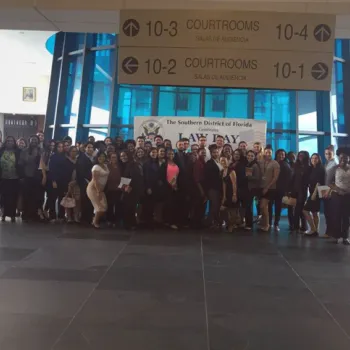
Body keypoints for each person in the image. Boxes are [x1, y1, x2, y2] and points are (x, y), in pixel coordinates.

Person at [18, 135, 45, 222]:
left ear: (38, 141)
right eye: (32, 140)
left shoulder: (41, 151)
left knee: (36, 197)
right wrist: (21, 176)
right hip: (27, 176)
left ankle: (34, 214)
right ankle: (25, 214)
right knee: (26, 196)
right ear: (29, 141)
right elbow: (20, 164)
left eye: (35, 140)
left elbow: (44, 163)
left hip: (37, 177)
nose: (34, 141)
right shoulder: (24, 151)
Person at [327, 147, 350, 245]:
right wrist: (338, 190)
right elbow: (329, 182)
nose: (343, 159)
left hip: (348, 195)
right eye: (341, 157)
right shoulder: (334, 169)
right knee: (336, 216)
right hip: (336, 195)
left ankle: (345, 237)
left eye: (345, 157)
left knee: (346, 217)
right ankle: (336, 236)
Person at [269, 149, 292, 232]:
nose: (281, 156)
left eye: (283, 154)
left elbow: (288, 178)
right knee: (269, 206)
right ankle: (269, 223)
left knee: (278, 207)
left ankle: (276, 224)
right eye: (279, 154)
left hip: (280, 189)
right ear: (276, 154)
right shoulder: (272, 162)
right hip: (271, 188)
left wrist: (287, 190)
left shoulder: (286, 164)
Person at [120, 151, 144, 230]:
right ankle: (128, 223)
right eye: (122, 156)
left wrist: (126, 186)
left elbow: (133, 176)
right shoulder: (126, 164)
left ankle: (130, 223)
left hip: (133, 189)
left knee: (131, 207)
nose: (124, 157)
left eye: (125, 155)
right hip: (129, 188)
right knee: (128, 207)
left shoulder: (132, 164)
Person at [303, 153, 325, 237]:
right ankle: (316, 230)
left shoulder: (320, 169)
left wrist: (314, 194)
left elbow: (319, 182)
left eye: (316, 158)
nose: (313, 160)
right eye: (312, 158)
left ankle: (313, 229)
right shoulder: (313, 168)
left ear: (319, 159)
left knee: (305, 210)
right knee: (315, 212)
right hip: (313, 192)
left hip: (316, 193)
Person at [259, 148, 280, 232]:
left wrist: (267, 187)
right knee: (263, 207)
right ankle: (264, 224)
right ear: (264, 153)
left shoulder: (275, 163)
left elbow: (275, 177)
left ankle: (267, 224)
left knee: (263, 206)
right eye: (266, 152)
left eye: (270, 152)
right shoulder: (261, 162)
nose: (268, 154)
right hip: (261, 187)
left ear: (272, 153)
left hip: (270, 188)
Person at [0, 136, 21, 222]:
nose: (9, 142)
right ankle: (3, 214)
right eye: (8, 141)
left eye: (11, 141)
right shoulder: (1, 151)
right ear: (5, 142)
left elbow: (21, 164)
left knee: (13, 197)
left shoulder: (18, 152)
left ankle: (12, 215)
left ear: (14, 142)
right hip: (3, 178)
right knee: (3, 197)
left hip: (14, 178)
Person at [87, 152, 109, 228]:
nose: (101, 158)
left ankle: (94, 219)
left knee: (104, 207)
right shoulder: (95, 167)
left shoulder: (106, 166)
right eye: (100, 156)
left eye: (103, 156)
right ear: (97, 158)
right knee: (99, 207)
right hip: (94, 188)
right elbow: (95, 180)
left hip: (101, 188)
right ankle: (95, 222)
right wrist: (98, 191)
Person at [290, 151, 311, 233]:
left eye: (302, 155)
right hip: (295, 189)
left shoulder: (309, 167)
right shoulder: (296, 165)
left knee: (299, 209)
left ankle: (297, 227)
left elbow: (308, 180)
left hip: (303, 190)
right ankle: (303, 226)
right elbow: (293, 178)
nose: (300, 157)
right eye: (299, 155)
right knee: (298, 209)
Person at [204, 145, 223, 228]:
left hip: (219, 187)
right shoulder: (209, 163)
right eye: (214, 152)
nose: (216, 154)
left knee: (217, 205)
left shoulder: (219, 162)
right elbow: (208, 177)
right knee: (214, 206)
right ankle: (209, 222)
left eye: (217, 152)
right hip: (212, 188)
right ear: (211, 153)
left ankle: (216, 222)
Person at [76, 142, 95, 225]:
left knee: (91, 201)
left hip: (92, 182)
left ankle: (89, 218)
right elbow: (81, 171)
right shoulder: (82, 158)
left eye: (92, 147)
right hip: (85, 182)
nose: (90, 149)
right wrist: (87, 180)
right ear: (85, 148)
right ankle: (84, 219)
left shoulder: (93, 158)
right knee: (85, 201)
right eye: (88, 147)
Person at [162, 148, 180, 230]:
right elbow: (162, 176)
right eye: (169, 154)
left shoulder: (176, 163)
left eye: (172, 154)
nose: (171, 155)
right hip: (167, 187)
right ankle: (169, 222)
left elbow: (177, 175)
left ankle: (172, 221)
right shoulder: (164, 164)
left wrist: (175, 185)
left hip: (175, 187)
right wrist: (169, 185)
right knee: (168, 205)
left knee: (174, 205)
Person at [143, 147, 162, 227]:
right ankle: (147, 222)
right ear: (149, 153)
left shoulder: (158, 162)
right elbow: (146, 176)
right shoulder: (147, 163)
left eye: (155, 152)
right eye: (152, 152)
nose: (154, 154)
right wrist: (148, 187)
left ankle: (153, 221)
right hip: (149, 187)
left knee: (155, 204)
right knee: (148, 205)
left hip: (156, 187)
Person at [62, 146, 80, 223]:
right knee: (68, 199)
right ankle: (68, 217)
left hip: (77, 183)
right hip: (67, 183)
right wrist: (68, 182)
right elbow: (63, 173)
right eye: (72, 151)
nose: (74, 153)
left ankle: (76, 216)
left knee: (77, 200)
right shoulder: (65, 161)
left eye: (75, 151)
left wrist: (76, 181)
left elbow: (81, 172)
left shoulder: (79, 161)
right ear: (69, 152)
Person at [220, 156, 238, 232]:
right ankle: (228, 223)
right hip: (225, 193)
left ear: (228, 161)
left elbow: (234, 183)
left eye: (224, 160)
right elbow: (223, 184)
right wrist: (224, 196)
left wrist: (234, 194)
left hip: (232, 192)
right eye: (221, 161)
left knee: (232, 210)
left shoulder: (231, 171)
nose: (223, 162)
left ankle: (232, 225)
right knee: (222, 209)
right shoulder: (222, 171)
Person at [245, 150, 261, 230]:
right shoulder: (248, 164)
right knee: (248, 206)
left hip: (253, 189)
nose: (250, 157)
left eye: (252, 156)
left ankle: (249, 225)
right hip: (249, 188)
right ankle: (248, 223)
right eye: (248, 155)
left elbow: (257, 178)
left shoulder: (254, 165)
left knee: (249, 206)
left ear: (254, 157)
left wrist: (247, 177)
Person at [323, 146, 337, 237]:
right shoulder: (326, 163)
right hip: (325, 191)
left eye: (329, 154)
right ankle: (329, 231)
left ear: (334, 154)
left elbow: (335, 180)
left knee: (331, 213)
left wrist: (330, 189)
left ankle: (331, 232)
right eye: (326, 154)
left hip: (332, 192)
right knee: (327, 212)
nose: (327, 155)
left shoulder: (335, 165)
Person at [192, 147, 207, 229]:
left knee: (202, 207)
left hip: (203, 186)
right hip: (198, 188)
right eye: (202, 152)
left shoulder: (204, 162)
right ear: (198, 153)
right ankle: (195, 224)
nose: (204, 154)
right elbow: (196, 179)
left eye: (205, 152)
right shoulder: (197, 163)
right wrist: (201, 191)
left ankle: (199, 223)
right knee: (197, 207)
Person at [106, 152, 122, 227]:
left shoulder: (120, 166)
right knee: (110, 205)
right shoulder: (107, 166)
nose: (114, 159)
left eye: (115, 157)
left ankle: (117, 220)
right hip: (109, 188)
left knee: (118, 205)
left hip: (119, 188)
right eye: (112, 157)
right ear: (109, 158)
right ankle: (109, 220)